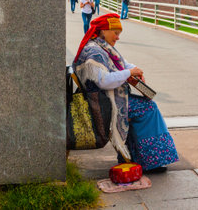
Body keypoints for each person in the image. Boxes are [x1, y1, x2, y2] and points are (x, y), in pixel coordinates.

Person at [73, 13, 178, 173]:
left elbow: (122, 64)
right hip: (104, 104)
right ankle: (151, 161)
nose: (118, 38)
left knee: (146, 106)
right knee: (148, 108)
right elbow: (104, 81)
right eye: (115, 33)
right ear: (104, 30)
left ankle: (137, 157)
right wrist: (129, 73)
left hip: (104, 99)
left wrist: (133, 70)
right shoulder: (95, 52)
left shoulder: (99, 48)